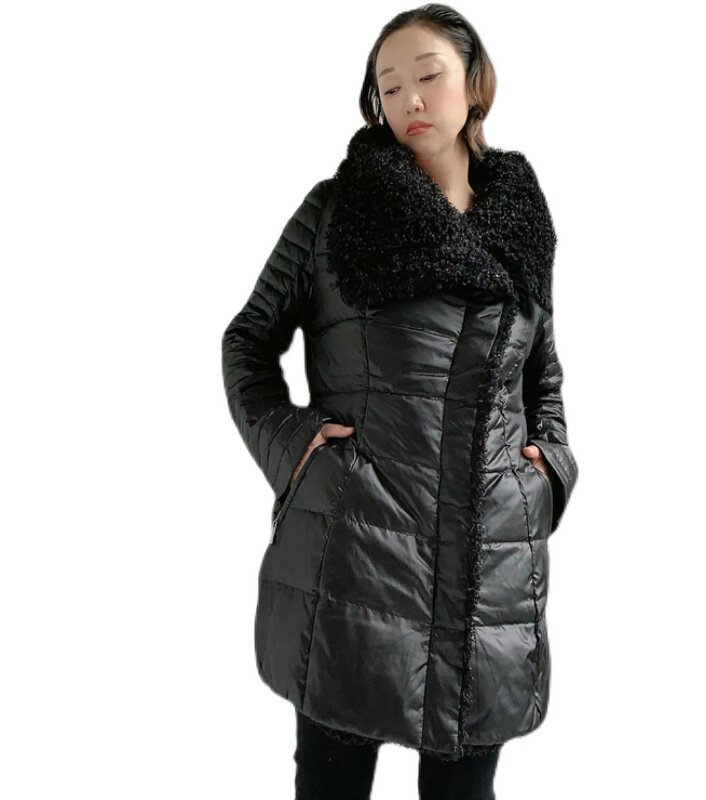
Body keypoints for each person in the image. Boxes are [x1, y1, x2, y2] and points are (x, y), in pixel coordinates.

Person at [221, 5, 579, 798]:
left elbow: (542, 374)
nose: (409, 99)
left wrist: (547, 469)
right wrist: (296, 449)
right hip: (355, 550)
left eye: (427, 76)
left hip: (489, 561)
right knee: (332, 785)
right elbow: (247, 342)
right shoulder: (336, 211)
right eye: (389, 86)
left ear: (475, 85)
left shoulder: (522, 221)